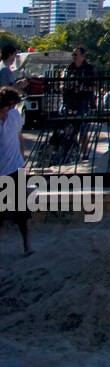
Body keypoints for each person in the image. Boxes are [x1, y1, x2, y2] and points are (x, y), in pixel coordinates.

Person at [0, 88, 33, 255]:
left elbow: (19, 136)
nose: (10, 110)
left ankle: (27, 244)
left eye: (12, 106)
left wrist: (21, 156)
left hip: (15, 168)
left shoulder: (14, 116)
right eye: (7, 106)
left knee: (22, 211)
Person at [63, 46, 96, 115]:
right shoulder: (69, 68)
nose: (73, 57)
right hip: (70, 99)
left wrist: (83, 88)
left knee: (80, 117)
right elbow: (64, 82)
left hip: (84, 99)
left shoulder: (89, 68)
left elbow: (94, 86)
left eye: (75, 54)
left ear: (82, 56)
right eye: (73, 55)